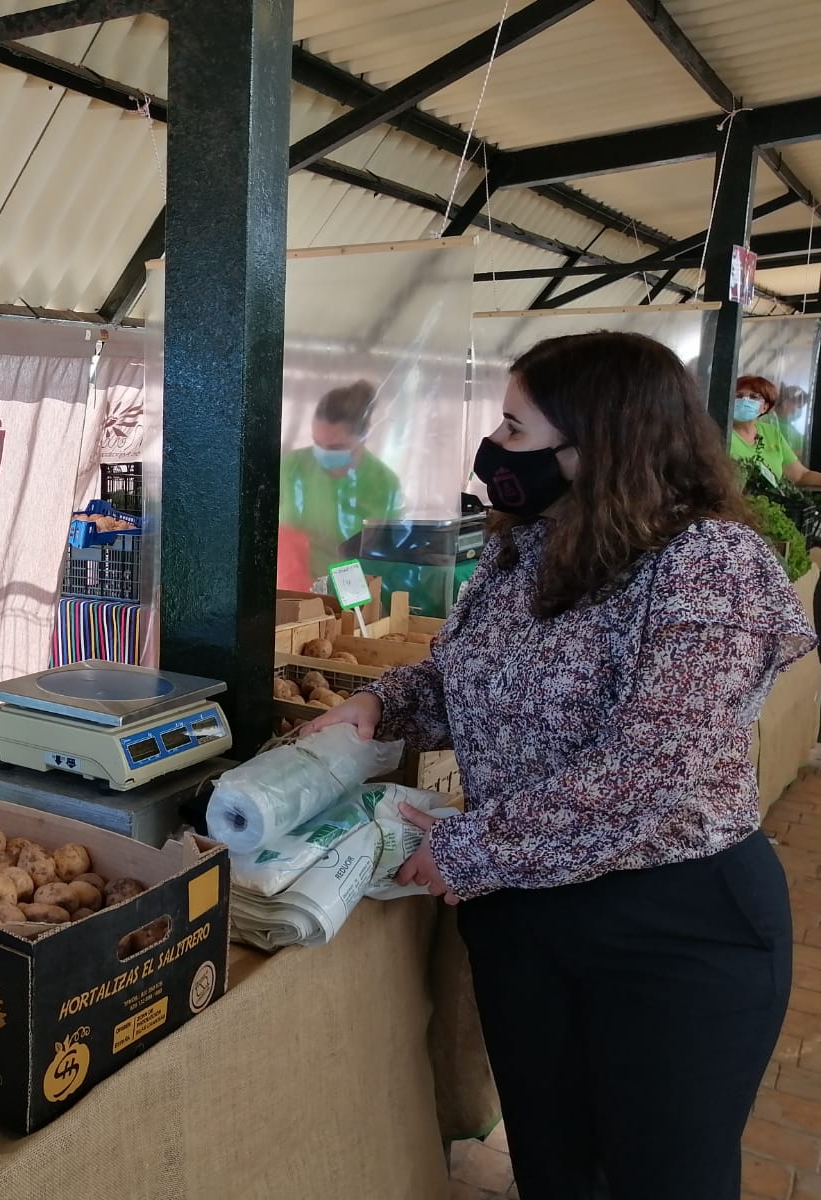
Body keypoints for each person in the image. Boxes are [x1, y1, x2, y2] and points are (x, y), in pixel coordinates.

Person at [307, 332, 813, 1200]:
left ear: (599, 442)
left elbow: (658, 764)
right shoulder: (524, 547)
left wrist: (475, 849)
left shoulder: (709, 565)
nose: (492, 448)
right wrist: (382, 703)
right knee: (552, 1160)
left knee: (664, 1176)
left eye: (512, 427)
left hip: (668, 923)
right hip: (526, 919)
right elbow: (464, 672)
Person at [277, 380, 402, 590]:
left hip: (349, 598)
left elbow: (385, 559)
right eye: (317, 442)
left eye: (336, 447)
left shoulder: (382, 483)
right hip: (289, 594)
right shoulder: (291, 468)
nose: (323, 453)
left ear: (363, 437)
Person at [730, 373, 821, 489]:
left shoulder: (771, 433)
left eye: (754, 397)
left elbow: (800, 475)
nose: (745, 400)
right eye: (738, 396)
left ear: (765, 407)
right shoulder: (721, 432)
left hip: (766, 504)